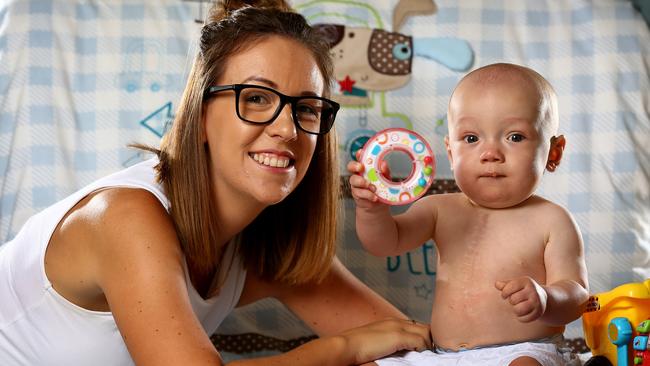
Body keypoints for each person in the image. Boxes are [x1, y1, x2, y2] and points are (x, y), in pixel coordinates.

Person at [0, 1, 433, 364]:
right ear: (201, 116)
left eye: (307, 108)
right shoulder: (124, 216)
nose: (287, 129)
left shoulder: (268, 246)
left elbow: (408, 347)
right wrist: (345, 348)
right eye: (257, 98)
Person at [348, 63, 589, 366]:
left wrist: (546, 298)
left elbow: (578, 296)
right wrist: (372, 209)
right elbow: (384, 243)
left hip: (524, 350)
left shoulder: (552, 220)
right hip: (443, 356)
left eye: (514, 137)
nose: (490, 153)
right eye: (472, 138)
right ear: (451, 152)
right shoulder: (439, 209)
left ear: (554, 152)